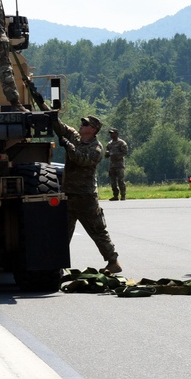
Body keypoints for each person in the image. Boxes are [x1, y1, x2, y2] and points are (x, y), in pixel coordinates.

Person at [50, 113, 122, 274]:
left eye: (86, 123)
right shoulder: (75, 138)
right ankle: (58, 265)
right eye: (82, 122)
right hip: (69, 194)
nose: (81, 124)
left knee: (97, 231)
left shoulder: (96, 148)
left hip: (86, 198)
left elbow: (82, 160)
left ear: (93, 129)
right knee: (62, 232)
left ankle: (113, 262)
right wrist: (47, 110)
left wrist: (68, 146)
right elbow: (60, 127)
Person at [105, 128, 129, 201]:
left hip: (119, 165)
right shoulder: (109, 144)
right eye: (110, 133)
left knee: (120, 181)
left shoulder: (121, 143)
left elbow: (125, 153)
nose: (111, 135)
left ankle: (123, 195)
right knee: (113, 182)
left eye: (113, 133)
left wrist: (114, 154)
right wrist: (107, 154)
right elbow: (107, 155)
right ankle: (115, 196)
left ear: (116, 134)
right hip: (112, 165)